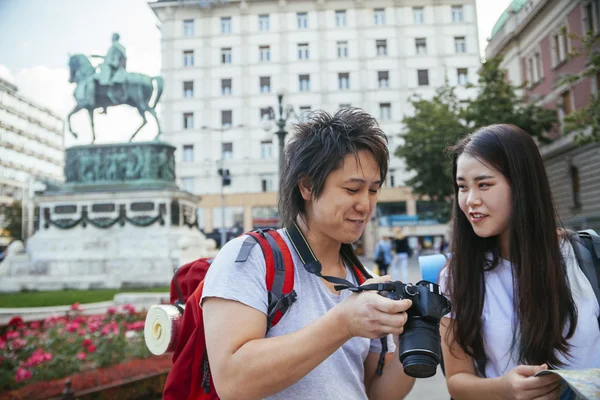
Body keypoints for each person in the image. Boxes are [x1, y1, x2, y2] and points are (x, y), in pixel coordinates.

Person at [201, 109, 416, 399]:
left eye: (373, 190)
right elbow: (232, 381)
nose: (365, 205)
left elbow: (376, 393)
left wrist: (414, 344)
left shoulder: (366, 281)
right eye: (352, 189)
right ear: (307, 186)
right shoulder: (250, 257)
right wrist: (344, 323)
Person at [440, 124, 600, 400]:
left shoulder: (588, 257)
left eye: (484, 185)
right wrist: (504, 388)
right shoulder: (457, 276)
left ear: (522, 185)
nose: (470, 200)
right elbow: (457, 380)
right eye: (462, 187)